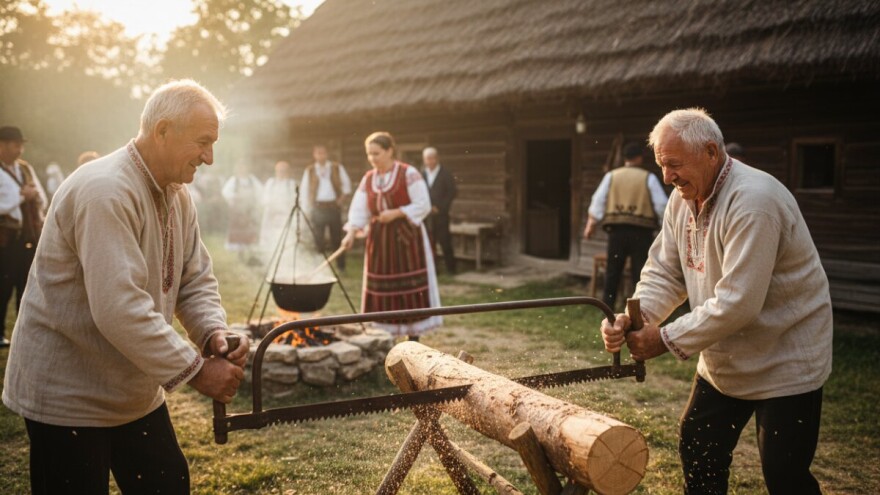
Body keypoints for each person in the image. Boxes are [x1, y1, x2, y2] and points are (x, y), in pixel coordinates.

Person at [2, 80, 249, 494]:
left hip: (132, 392)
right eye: (203, 143)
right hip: (68, 396)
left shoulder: (177, 193)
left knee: (168, 485)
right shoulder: (105, 191)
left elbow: (194, 278)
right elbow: (118, 308)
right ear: (163, 131)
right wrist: (197, 372)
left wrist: (213, 333)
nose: (209, 158)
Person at [600, 108, 832, 494]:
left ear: (710, 152)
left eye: (674, 164)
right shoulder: (681, 198)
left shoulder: (754, 202)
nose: (667, 176)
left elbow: (739, 302)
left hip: (785, 358)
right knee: (699, 448)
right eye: (662, 164)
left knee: (784, 473)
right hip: (725, 359)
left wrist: (664, 339)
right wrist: (633, 317)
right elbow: (664, 271)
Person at [341, 132, 441, 340]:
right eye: (369, 154)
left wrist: (396, 213)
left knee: (410, 286)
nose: (372, 158)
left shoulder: (408, 173)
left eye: (376, 153)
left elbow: (423, 204)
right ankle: (385, 338)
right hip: (380, 242)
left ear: (389, 151)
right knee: (382, 286)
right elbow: (359, 210)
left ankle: (413, 339)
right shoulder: (369, 179)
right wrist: (351, 233)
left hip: (407, 239)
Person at [584, 142, 667, 309]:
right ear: (639, 158)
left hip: (617, 233)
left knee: (613, 272)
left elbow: (598, 201)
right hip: (641, 234)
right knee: (640, 274)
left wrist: (591, 223)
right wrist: (666, 227)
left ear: (625, 158)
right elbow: (661, 205)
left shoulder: (612, 176)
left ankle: (607, 308)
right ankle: (639, 310)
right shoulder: (648, 177)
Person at [0, 126, 47, 348]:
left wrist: (33, 196)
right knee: (3, 286)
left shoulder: (25, 169)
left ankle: (23, 331)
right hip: (5, 238)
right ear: (2, 145)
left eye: (20, 145)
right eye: (15, 144)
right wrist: (21, 197)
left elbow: (41, 196)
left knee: (26, 285)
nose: (19, 149)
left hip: (28, 234)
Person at [300, 144, 352, 270]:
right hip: (318, 208)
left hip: (333, 207)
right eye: (318, 153)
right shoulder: (310, 170)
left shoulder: (336, 167)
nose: (320, 155)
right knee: (318, 238)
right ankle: (320, 267)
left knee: (336, 238)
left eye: (323, 153)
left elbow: (347, 186)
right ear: (314, 155)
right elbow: (304, 191)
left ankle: (341, 266)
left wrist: (340, 201)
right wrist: (307, 209)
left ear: (327, 154)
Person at [421, 147, 458, 274]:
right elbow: (419, 192)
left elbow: (452, 192)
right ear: (424, 160)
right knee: (429, 242)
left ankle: (451, 269)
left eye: (432, 158)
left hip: (441, 214)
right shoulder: (422, 174)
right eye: (427, 159)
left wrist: (440, 207)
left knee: (444, 241)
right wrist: (426, 207)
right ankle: (433, 270)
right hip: (426, 214)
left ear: (437, 158)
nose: (430, 161)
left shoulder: (445, 174)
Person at [221, 161, 263, 260]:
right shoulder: (234, 180)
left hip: (250, 209)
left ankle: (252, 253)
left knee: (250, 230)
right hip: (238, 210)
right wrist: (235, 197)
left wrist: (255, 200)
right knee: (239, 232)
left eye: (244, 167)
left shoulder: (252, 180)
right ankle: (240, 252)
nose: (243, 169)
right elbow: (225, 192)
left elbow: (260, 191)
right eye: (241, 167)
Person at [260, 160, 297, 257]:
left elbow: (294, 200)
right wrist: (272, 208)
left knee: (285, 236)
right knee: (270, 237)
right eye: (279, 170)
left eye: (283, 170)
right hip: (271, 214)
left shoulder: (291, 184)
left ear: (287, 171)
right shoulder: (271, 183)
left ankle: (285, 256)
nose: (281, 172)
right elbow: (265, 197)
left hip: (285, 215)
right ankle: (269, 256)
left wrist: (285, 211)